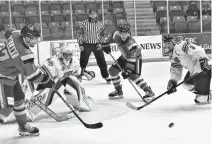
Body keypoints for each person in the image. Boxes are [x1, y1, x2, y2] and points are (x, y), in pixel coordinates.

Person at [0, 25, 54, 136]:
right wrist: (46, 80)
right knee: (7, 108)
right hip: (3, 77)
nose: (36, 41)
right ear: (26, 37)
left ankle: (23, 126)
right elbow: (33, 76)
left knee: (19, 99)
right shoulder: (25, 53)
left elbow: (8, 32)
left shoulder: (16, 33)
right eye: (34, 38)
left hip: (10, 75)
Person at [24, 48, 93, 121]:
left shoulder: (74, 62)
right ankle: (29, 111)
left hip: (61, 82)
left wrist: (85, 74)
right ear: (60, 55)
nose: (68, 57)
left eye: (70, 55)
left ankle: (80, 103)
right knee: (53, 90)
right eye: (65, 54)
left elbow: (77, 74)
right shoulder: (52, 63)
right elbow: (35, 78)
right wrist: (29, 94)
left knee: (71, 81)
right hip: (47, 82)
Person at [98, 22, 155, 100]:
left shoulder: (132, 44)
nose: (124, 36)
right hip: (124, 57)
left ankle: (149, 91)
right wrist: (105, 45)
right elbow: (107, 39)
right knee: (112, 70)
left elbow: (132, 59)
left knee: (133, 76)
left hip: (136, 58)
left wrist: (127, 71)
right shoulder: (116, 35)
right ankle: (118, 91)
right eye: (122, 33)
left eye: (126, 34)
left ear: (129, 33)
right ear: (119, 33)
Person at [164, 35, 211, 104]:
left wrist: (203, 59)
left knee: (202, 100)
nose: (167, 45)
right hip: (194, 72)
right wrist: (173, 81)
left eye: (169, 43)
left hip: (203, 69)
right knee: (186, 85)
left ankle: (206, 95)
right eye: (166, 43)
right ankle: (204, 92)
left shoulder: (181, 46)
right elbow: (176, 69)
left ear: (173, 41)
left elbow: (199, 50)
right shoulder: (172, 56)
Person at [77, 9, 111, 83]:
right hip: (86, 44)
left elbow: (104, 34)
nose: (93, 15)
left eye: (94, 14)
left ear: (96, 15)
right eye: (91, 14)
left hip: (97, 45)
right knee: (83, 61)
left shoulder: (100, 24)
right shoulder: (83, 23)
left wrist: (101, 43)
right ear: (89, 15)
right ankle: (79, 76)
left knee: (102, 61)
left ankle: (106, 76)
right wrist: (80, 44)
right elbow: (79, 34)